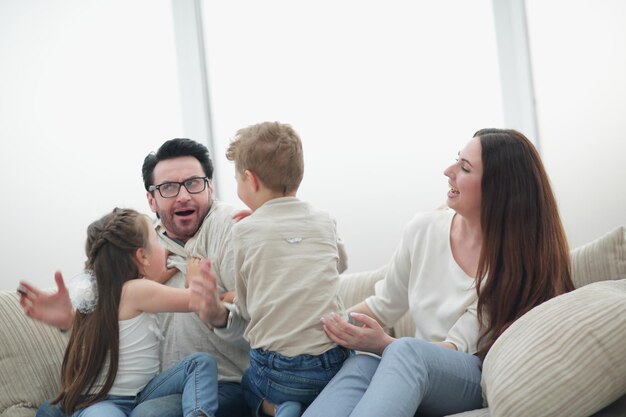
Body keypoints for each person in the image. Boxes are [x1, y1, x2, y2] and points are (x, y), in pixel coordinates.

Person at [301, 128, 575, 417]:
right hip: (410, 361)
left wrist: (385, 344)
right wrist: (321, 324)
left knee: (405, 351)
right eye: (457, 160)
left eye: (464, 168)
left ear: (498, 189)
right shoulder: (424, 229)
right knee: (363, 363)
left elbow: (458, 346)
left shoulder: (514, 262)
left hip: (467, 375)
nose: (449, 171)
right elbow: (383, 306)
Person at [22, 139, 252, 417]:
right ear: (151, 199)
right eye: (168, 187)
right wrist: (70, 320)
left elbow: (256, 315)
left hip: (218, 383)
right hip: (151, 386)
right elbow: (109, 310)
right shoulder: (139, 244)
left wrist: (217, 307)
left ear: (210, 187)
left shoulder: (233, 228)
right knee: (53, 409)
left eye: (193, 183)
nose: (183, 196)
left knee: (148, 412)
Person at [19, 208, 219, 417]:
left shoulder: (105, 293)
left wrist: (68, 321)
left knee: (198, 363)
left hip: (141, 395)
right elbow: (198, 300)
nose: (165, 249)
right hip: (103, 404)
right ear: (142, 256)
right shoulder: (137, 291)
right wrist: (194, 280)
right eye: (157, 241)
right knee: (201, 363)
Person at [217, 121, 351, 417]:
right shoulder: (324, 220)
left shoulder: (244, 231)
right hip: (333, 364)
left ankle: (280, 408)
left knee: (247, 383)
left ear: (250, 180)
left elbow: (247, 306)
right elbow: (341, 264)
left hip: (279, 374)